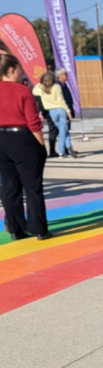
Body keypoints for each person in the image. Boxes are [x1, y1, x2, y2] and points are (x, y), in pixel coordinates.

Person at [0, 54, 51, 240]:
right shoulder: (23, 91)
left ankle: (16, 228)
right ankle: (39, 229)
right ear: (11, 70)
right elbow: (33, 122)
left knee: (9, 187)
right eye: (20, 68)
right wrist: (41, 144)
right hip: (22, 138)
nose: (22, 71)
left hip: (1, 140)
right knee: (32, 187)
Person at [32, 71, 78, 158]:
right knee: (63, 131)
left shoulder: (41, 88)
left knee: (62, 130)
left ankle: (68, 146)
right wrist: (68, 111)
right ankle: (62, 151)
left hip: (51, 112)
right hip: (60, 110)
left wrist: (40, 83)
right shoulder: (56, 87)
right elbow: (61, 100)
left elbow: (34, 91)